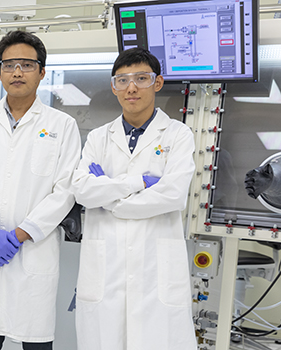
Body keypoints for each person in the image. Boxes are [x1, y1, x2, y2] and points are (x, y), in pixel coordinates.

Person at [0, 31, 81, 350]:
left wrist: (20, 234)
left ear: (42, 72)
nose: (17, 72)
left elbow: (65, 190)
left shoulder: (62, 126)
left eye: (26, 64)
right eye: (9, 65)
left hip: (32, 252)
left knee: (35, 342)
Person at [71, 47, 196, 350]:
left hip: (155, 272)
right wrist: (137, 182)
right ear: (114, 86)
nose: (131, 87)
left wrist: (109, 194)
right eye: (123, 80)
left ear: (158, 83)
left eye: (141, 78)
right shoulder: (100, 137)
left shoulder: (178, 135)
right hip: (106, 268)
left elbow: (172, 195)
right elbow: (82, 190)